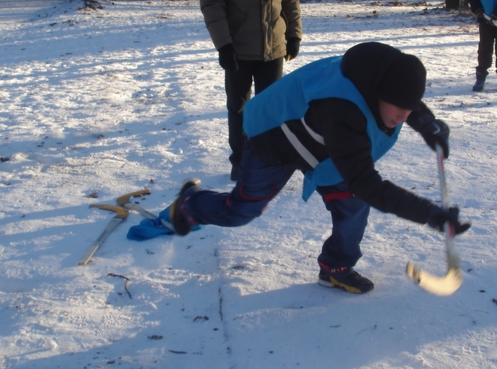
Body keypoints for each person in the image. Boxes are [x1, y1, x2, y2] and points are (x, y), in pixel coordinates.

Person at [157, 43, 470, 295]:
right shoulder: (343, 112)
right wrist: (429, 213)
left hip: (322, 145)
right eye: (398, 107)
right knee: (243, 210)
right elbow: (367, 183)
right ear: (377, 93)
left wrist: (427, 124)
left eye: (410, 108)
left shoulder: (385, 79)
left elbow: (404, 98)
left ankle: (336, 266)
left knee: (352, 204)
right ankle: (190, 205)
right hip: (275, 137)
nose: (404, 116)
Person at [199, 0, 303, 182]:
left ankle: (269, 160)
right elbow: (212, 2)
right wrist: (224, 45)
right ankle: (241, 160)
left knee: (271, 110)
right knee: (240, 108)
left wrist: (293, 35)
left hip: (273, 49)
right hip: (238, 50)